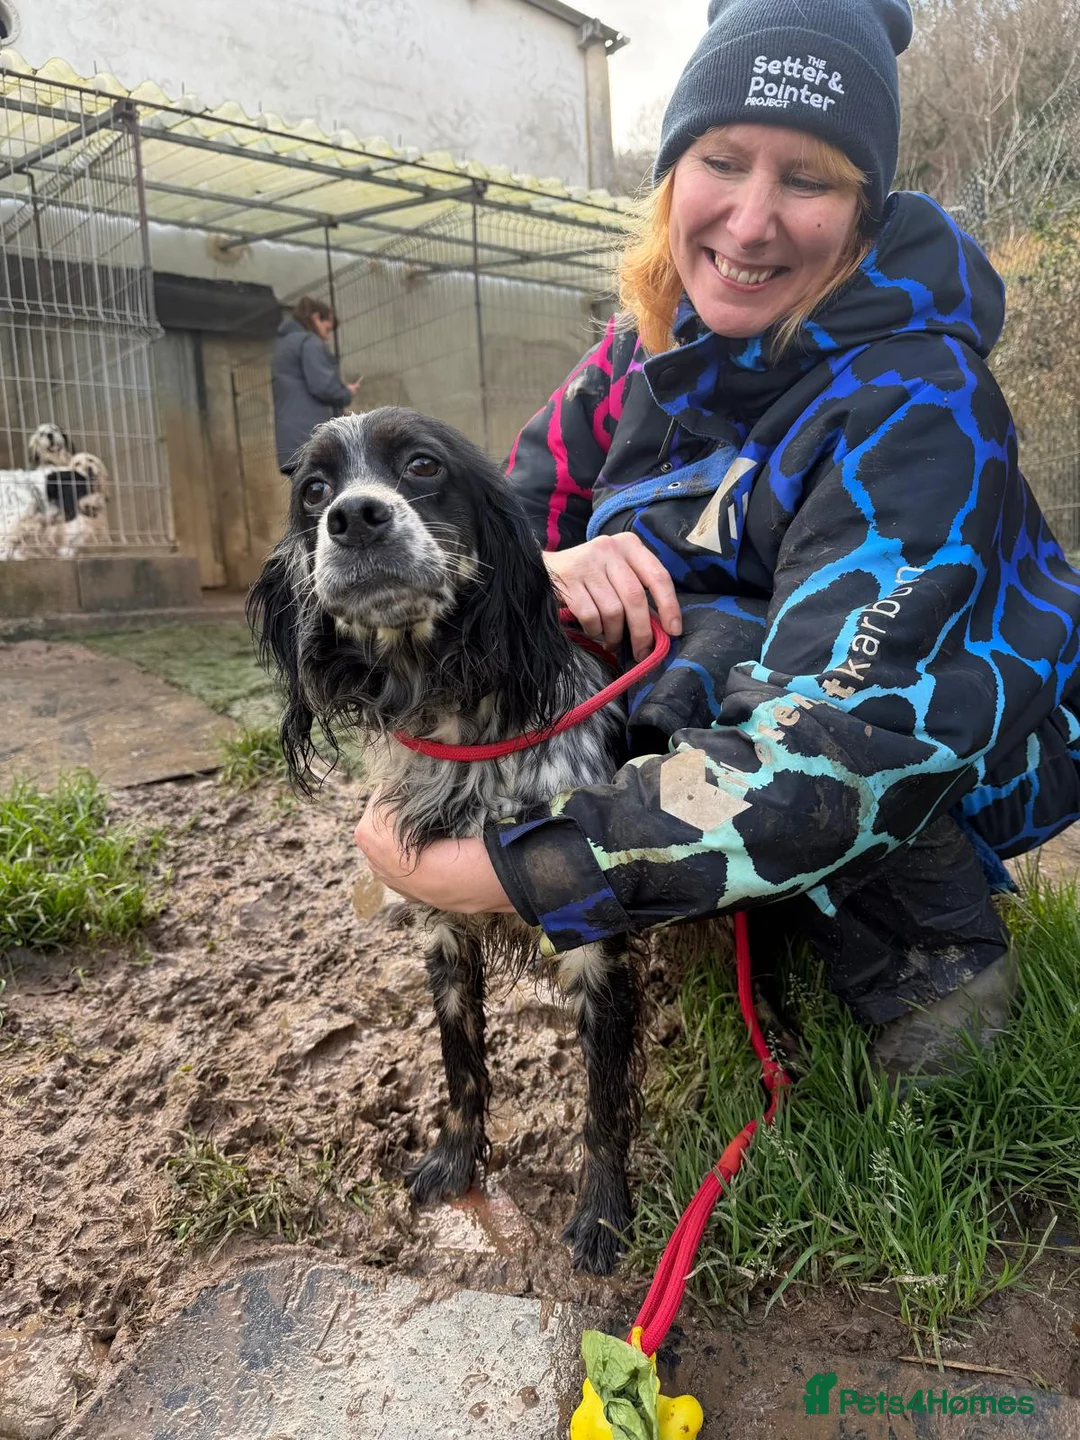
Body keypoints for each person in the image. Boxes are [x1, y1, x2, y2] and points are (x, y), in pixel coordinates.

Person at [355, 0, 1080, 1077]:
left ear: (864, 212)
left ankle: (942, 972)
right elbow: (499, 527)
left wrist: (514, 873)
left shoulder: (918, 402)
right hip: (727, 713)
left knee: (765, 697)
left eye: (807, 179)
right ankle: (726, 905)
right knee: (662, 648)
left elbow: (843, 746)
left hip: (912, 748)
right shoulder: (636, 357)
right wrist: (553, 567)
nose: (748, 223)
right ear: (672, 175)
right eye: (722, 160)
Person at [272, 296, 359, 477]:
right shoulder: (309, 343)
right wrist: (346, 393)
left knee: (309, 497)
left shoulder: (282, 346)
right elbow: (323, 387)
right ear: (316, 317)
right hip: (312, 438)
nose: (326, 336)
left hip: (291, 442)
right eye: (327, 328)